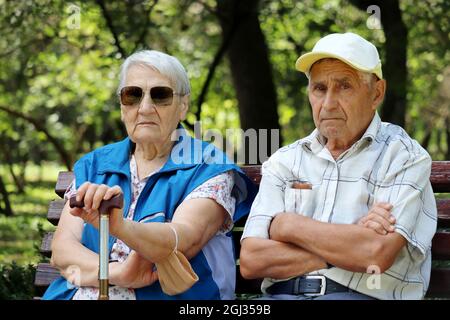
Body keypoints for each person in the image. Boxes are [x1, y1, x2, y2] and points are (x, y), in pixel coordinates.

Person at [43, 50, 256, 300]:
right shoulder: (96, 164)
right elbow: (62, 250)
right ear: (122, 107)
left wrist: (119, 227)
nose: (144, 108)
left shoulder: (208, 167)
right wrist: (120, 273)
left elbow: (180, 240)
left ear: (183, 106)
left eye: (161, 95)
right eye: (132, 95)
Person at [240, 32, 437, 300]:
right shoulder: (285, 161)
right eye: (319, 89)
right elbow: (252, 260)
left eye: (344, 86)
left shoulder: (404, 156)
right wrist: (350, 244)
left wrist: (288, 226)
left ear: (376, 93)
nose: (329, 104)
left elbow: (375, 254)